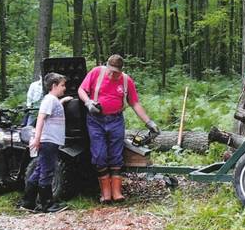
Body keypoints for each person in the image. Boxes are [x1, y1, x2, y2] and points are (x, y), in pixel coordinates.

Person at [78, 54, 160, 204]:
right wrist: (88, 102)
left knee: (116, 155)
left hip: (116, 120)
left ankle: (116, 192)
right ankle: (105, 192)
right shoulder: (97, 72)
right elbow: (81, 90)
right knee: (99, 155)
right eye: (111, 70)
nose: (113, 74)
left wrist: (149, 122)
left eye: (116, 72)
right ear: (107, 66)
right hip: (96, 120)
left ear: (121, 70)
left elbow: (135, 103)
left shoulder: (126, 81)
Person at [17, 72, 71, 213]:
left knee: (39, 170)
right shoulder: (49, 100)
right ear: (54, 86)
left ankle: (27, 202)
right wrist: (37, 138)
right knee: (47, 171)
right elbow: (41, 118)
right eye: (62, 85)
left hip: (50, 141)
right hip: (48, 141)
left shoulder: (53, 100)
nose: (64, 88)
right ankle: (47, 204)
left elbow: (52, 111)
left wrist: (62, 102)